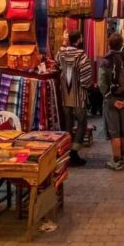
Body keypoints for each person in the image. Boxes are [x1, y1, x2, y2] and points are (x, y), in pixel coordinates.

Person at [98, 32, 124, 171]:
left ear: (109, 44)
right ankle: (123, 156)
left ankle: (116, 160)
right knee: (123, 129)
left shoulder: (105, 61)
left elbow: (102, 83)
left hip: (112, 100)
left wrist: (110, 99)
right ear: (122, 44)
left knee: (114, 131)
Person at [56, 31, 93, 166]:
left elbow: (57, 65)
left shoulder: (61, 54)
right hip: (78, 95)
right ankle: (74, 152)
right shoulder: (81, 55)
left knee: (68, 123)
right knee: (81, 123)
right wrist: (86, 85)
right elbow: (86, 76)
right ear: (78, 40)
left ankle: (66, 150)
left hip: (65, 94)